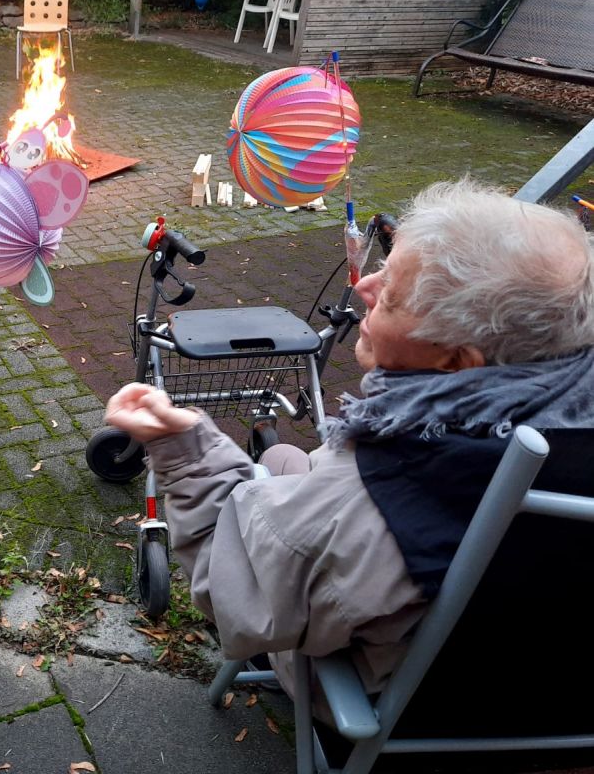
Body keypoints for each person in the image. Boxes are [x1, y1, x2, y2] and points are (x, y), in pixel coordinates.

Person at [105, 179, 594, 707]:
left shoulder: (390, 491)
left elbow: (229, 589)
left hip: (401, 703)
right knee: (284, 456)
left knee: (276, 468)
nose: (366, 287)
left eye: (393, 296)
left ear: (456, 360)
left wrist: (182, 445)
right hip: (566, 702)